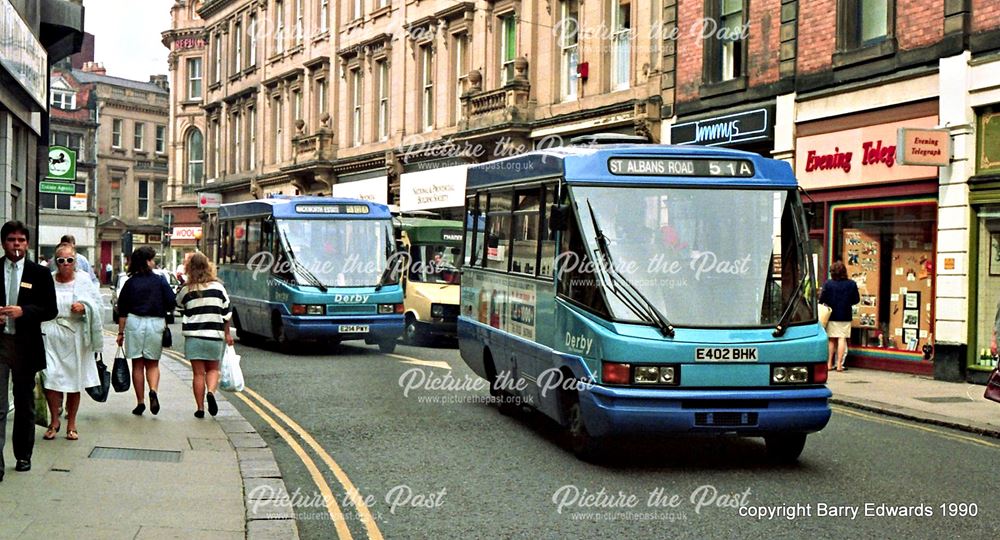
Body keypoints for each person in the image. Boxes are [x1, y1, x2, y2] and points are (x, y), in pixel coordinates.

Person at [0, 221, 58, 478]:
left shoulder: (39, 274)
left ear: (27, 244)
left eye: (21, 240)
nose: (16, 245)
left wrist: (24, 311)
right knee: (0, 406)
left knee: (24, 404)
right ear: (4, 243)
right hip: (1, 344)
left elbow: (50, 309)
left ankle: (23, 455)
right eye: (12, 240)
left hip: (26, 346)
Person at [40, 243, 103, 441]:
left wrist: (85, 308)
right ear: (55, 262)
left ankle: (72, 423)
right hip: (51, 334)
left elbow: (98, 306)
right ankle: (54, 420)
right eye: (61, 260)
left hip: (75, 336)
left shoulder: (83, 280)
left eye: (70, 260)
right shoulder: (48, 281)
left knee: (74, 382)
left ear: (75, 261)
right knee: (50, 379)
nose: (66, 264)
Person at [115, 247, 175, 416]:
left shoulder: (130, 282)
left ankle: (140, 402)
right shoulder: (160, 280)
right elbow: (171, 302)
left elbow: (122, 310)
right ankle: (153, 391)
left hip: (134, 322)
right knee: (153, 363)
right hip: (155, 323)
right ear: (147, 261)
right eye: (152, 259)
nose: (154, 262)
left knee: (137, 364)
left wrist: (120, 333)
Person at [175, 252, 233, 418]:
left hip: (194, 337)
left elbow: (178, 304)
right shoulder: (218, 288)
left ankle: (200, 408)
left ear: (189, 268)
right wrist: (227, 334)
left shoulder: (187, 289)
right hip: (214, 335)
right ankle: (212, 393)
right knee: (213, 369)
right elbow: (226, 313)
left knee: (198, 374)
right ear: (208, 267)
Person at [819, 260, 861, 372]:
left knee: (831, 340)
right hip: (845, 315)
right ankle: (839, 365)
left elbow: (822, 299)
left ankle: (828, 364)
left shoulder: (828, 283)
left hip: (831, 315)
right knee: (842, 339)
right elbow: (856, 299)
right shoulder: (851, 284)